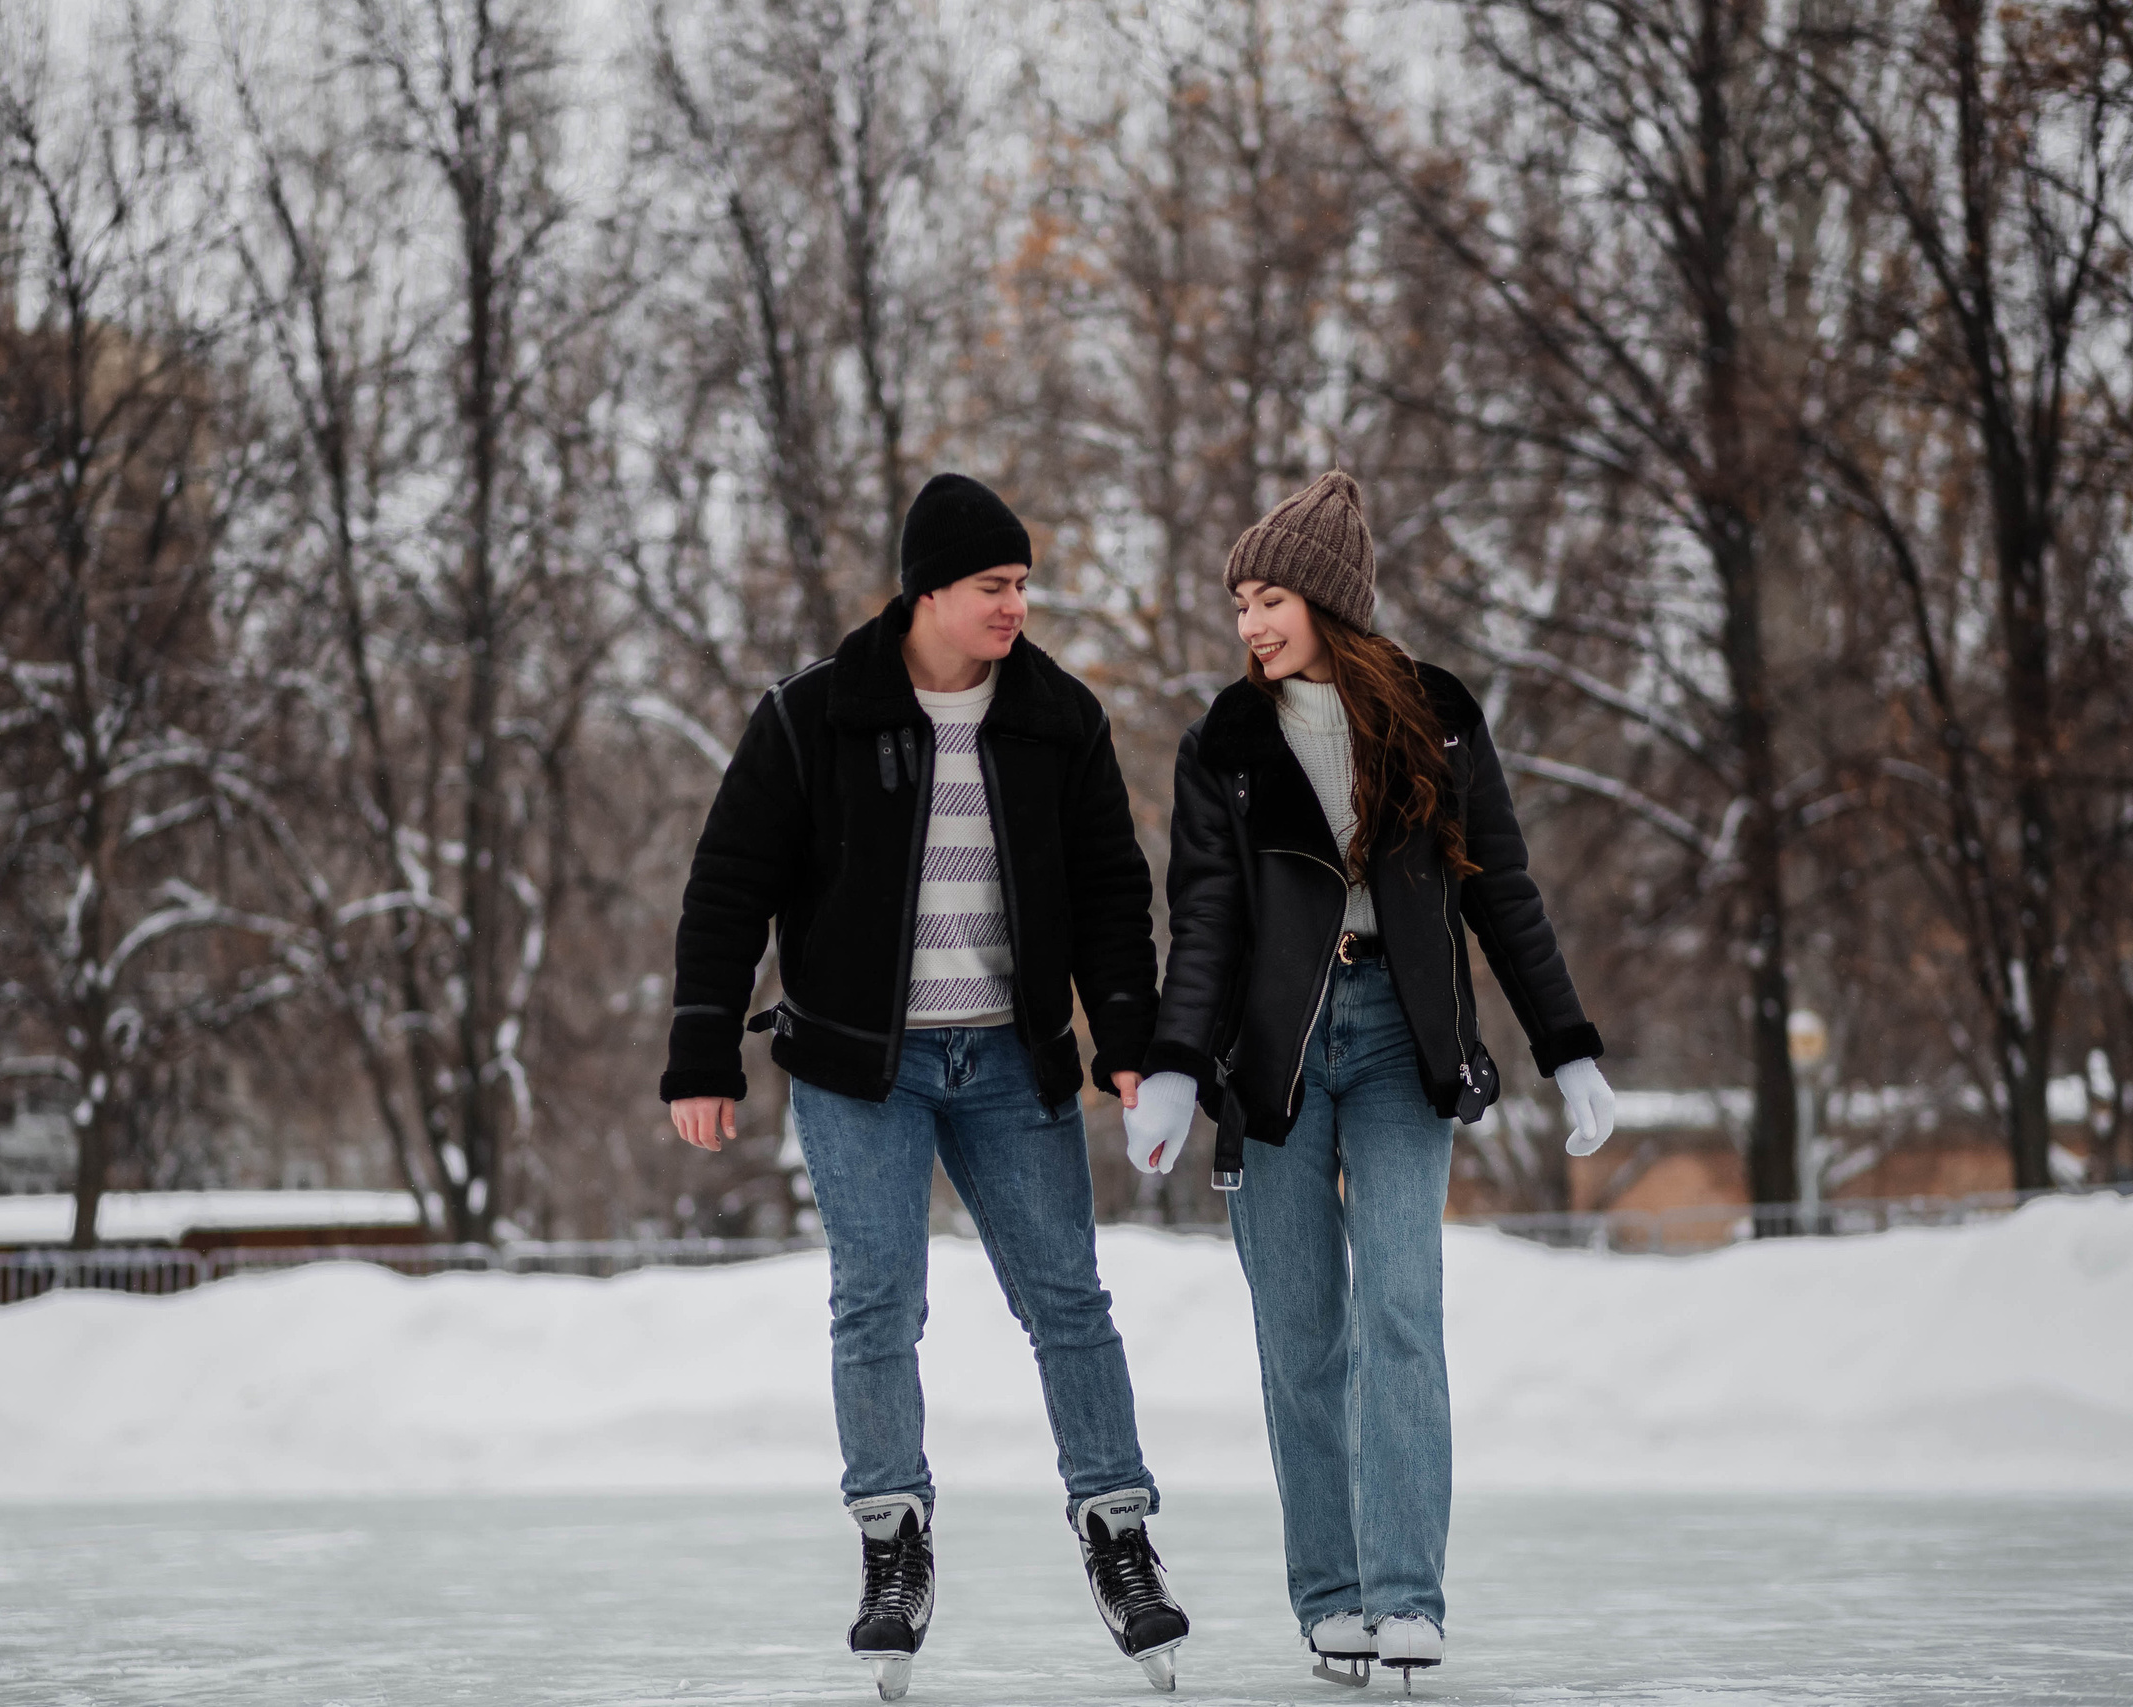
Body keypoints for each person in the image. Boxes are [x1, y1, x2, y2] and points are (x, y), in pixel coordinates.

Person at [661, 472, 1190, 1700]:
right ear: (929, 591)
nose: (1016, 605)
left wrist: (1128, 1035)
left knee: (1067, 1298)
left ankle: (1117, 1530)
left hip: (1010, 1061)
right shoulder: (813, 717)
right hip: (860, 1068)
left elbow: (1115, 892)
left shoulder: (1058, 718)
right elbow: (728, 885)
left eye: (1021, 585)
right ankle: (891, 1540)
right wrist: (701, 1051)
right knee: (875, 1303)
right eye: (993, 587)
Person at [1118, 471, 1617, 1690]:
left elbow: (1499, 887)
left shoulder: (1435, 718)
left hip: (1402, 1039)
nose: (1250, 624)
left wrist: (1568, 1044)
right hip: (1270, 1064)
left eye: (1271, 595)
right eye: (1239, 601)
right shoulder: (1225, 742)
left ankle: (1405, 1598)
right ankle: (1331, 1599)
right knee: (1300, 1338)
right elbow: (1205, 921)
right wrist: (1178, 1070)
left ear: (1330, 600)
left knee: (1400, 1314)